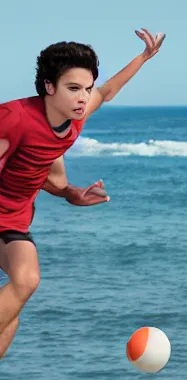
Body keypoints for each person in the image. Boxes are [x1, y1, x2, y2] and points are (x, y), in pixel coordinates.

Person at [0, 28, 165, 358]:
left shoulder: (77, 115)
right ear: (49, 87)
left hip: (13, 220)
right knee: (27, 279)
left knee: (11, 318)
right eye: (73, 88)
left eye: (85, 89)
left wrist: (143, 58)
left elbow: (109, 90)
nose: (82, 97)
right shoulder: (12, 119)